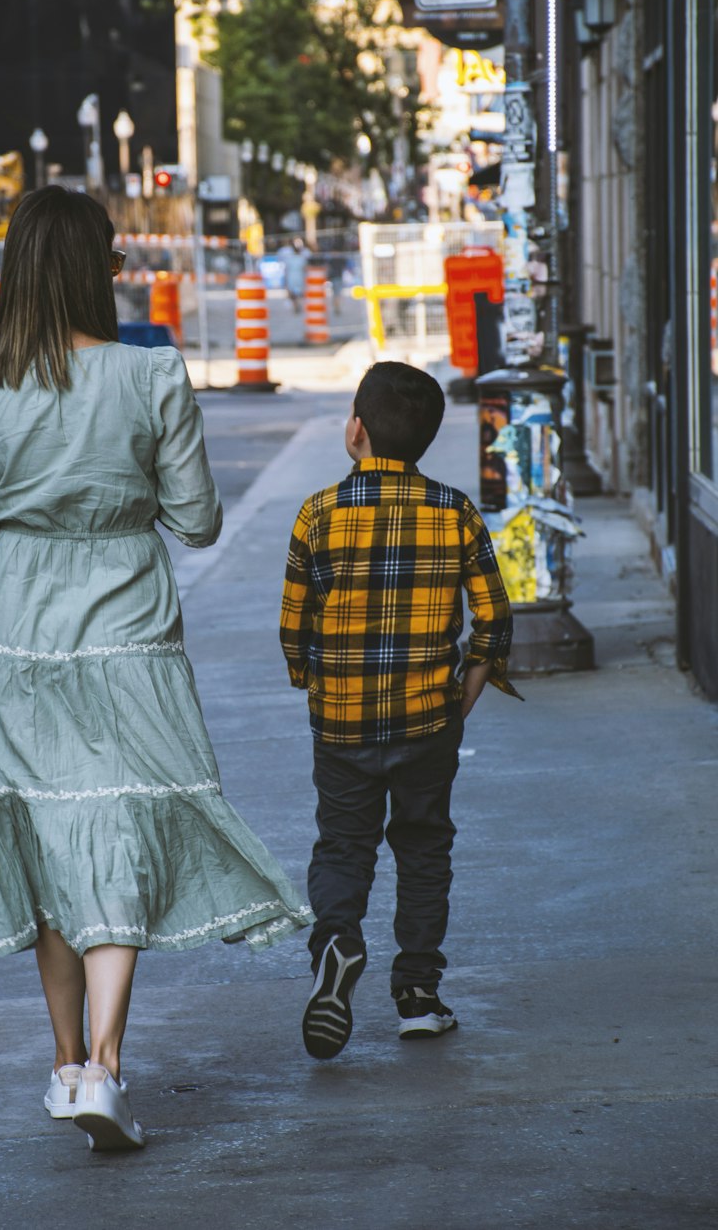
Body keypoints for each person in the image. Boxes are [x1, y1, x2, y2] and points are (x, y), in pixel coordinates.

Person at [0, 186, 309, 1153]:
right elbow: (199, 521)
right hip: (130, 622)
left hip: (17, 633)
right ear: (99, 268)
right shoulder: (151, 376)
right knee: (125, 819)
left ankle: (64, 1069)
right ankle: (104, 1061)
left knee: (49, 838)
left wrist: (22, 504)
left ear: (14, 271)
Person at [279, 361, 519, 1060]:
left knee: (343, 846)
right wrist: (463, 701)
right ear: (428, 440)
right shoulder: (455, 511)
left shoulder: (318, 514)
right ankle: (417, 994)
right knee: (423, 849)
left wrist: (313, 684)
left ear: (355, 429)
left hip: (343, 725)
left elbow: (296, 628)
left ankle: (337, 943)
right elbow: (494, 621)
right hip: (428, 723)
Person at [280, 237, 310, 313]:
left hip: (292, 277)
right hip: (298, 276)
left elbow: (286, 269)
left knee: (293, 293)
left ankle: (296, 305)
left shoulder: (290, 258)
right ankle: (297, 304)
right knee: (298, 293)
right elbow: (305, 268)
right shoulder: (301, 258)